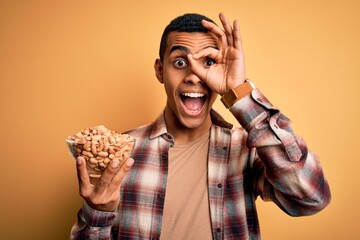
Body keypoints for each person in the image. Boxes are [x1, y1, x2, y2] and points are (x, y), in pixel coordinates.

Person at [69, 12, 331, 240]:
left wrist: (239, 92)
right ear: (160, 71)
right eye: (180, 62)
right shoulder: (121, 152)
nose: (194, 76)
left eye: (208, 62)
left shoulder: (246, 147)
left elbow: (311, 198)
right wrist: (97, 214)